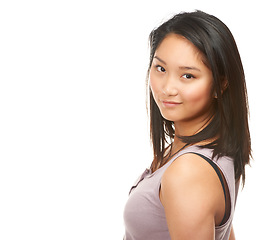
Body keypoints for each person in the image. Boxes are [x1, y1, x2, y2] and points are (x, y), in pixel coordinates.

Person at [123, 10, 251, 240]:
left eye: (188, 76)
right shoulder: (213, 150)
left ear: (220, 84)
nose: (167, 88)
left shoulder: (189, 172)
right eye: (160, 69)